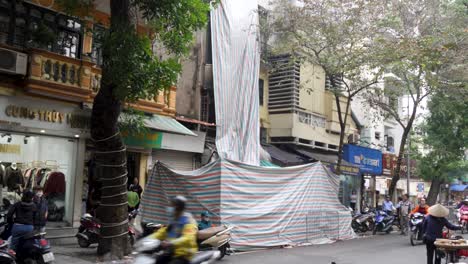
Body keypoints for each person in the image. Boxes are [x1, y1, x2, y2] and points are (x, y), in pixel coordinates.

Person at [151, 196, 198, 264]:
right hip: (172, 252)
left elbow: (188, 238)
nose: (169, 207)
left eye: (172, 205)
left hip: (185, 255)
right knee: (157, 260)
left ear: (178, 207)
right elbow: (163, 232)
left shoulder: (188, 220)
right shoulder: (174, 220)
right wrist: (148, 239)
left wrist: (171, 242)